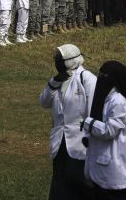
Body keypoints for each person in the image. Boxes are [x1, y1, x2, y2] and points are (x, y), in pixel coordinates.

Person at [39, 44, 97, 200]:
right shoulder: (58, 80)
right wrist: (53, 82)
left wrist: (92, 139)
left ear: (70, 61)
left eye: (59, 59)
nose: (56, 62)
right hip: (60, 140)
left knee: (78, 179)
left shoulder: (88, 79)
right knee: (60, 180)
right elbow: (43, 102)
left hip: (81, 141)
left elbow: (93, 111)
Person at [82, 60, 126, 200]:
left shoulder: (118, 102)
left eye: (105, 75)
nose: (101, 77)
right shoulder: (104, 97)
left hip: (114, 163)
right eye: (101, 73)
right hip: (101, 162)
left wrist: (87, 122)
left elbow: (109, 131)